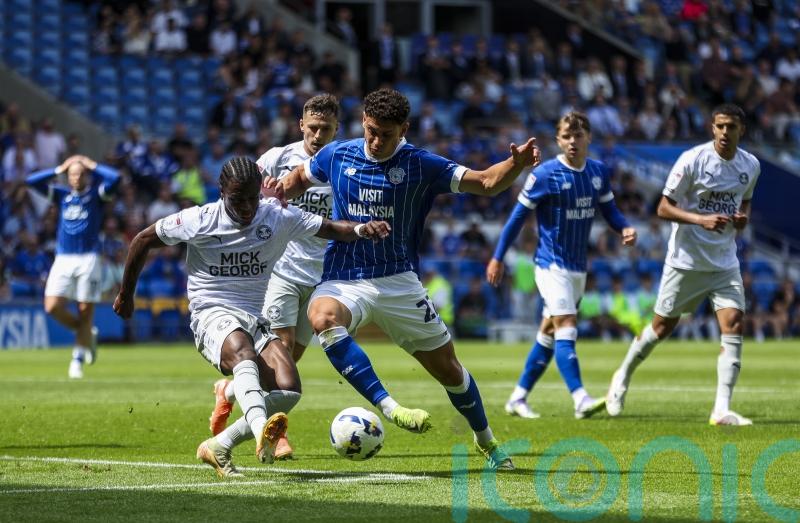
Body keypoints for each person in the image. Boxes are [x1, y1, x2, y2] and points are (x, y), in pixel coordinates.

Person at [265, 88, 540, 469]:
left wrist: (516, 164)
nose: (376, 142)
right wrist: (279, 191)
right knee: (322, 316)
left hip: (399, 281)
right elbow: (299, 176)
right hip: (346, 276)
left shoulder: (421, 164)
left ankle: (486, 440)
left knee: (450, 371)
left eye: (386, 135)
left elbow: (486, 182)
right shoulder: (337, 154)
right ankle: (390, 407)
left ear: (404, 130)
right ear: (363, 122)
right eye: (371, 131)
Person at [112, 157, 389, 477]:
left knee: (288, 390)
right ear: (221, 193)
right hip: (211, 312)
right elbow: (143, 240)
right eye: (237, 200)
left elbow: (330, 228)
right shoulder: (199, 219)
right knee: (242, 351)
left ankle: (219, 446)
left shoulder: (277, 216)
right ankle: (261, 433)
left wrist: (362, 229)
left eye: (252, 199)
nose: (246, 207)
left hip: (253, 318)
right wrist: (126, 294)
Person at [606, 104, 761, 426]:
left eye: (731, 127)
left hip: (724, 262)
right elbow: (663, 208)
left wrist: (742, 219)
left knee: (733, 323)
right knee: (661, 328)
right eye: (720, 126)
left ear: (741, 130)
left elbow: (744, 201)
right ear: (712, 128)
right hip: (686, 261)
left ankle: (721, 410)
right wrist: (701, 220)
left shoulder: (751, 165)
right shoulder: (693, 160)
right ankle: (622, 375)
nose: (725, 132)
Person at [207, 93, 340, 461]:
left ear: (337, 129)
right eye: (312, 128)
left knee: (287, 362)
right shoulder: (277, 159)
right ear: (301, 125)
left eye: (326, 129)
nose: (318, 135)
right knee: (281, 350)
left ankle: (228, 391)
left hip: (322, 275)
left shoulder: (342, 163)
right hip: (281, 269)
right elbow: (240, 195)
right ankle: (276, 434)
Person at [486, 112, 637, 420]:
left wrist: (624, 228)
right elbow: (516, 219)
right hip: (550, 265)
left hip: (578, 268)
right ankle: (580, 398)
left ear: (588, 138)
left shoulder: (598, 172)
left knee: (549, 332)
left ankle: (517, 397)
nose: (572, 141)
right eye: (566, 136)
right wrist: (498, 256)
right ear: (558, 140)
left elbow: (610, 210)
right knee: (566, 324)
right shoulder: (545, 175)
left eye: (578, 135)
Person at [26, 155, 120, 379]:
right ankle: (86, 333)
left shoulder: (95, 195)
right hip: (63, 258)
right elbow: (31, 181)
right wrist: (59, 168)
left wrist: (91, 164)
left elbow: (116, 178)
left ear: (86, 175)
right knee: (52, 307)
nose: (76, 177)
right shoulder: (62, 195)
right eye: (72, 174)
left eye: (80, 173)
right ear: (68, 177)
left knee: (85, 310)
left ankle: (76, 360)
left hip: (89, 258)